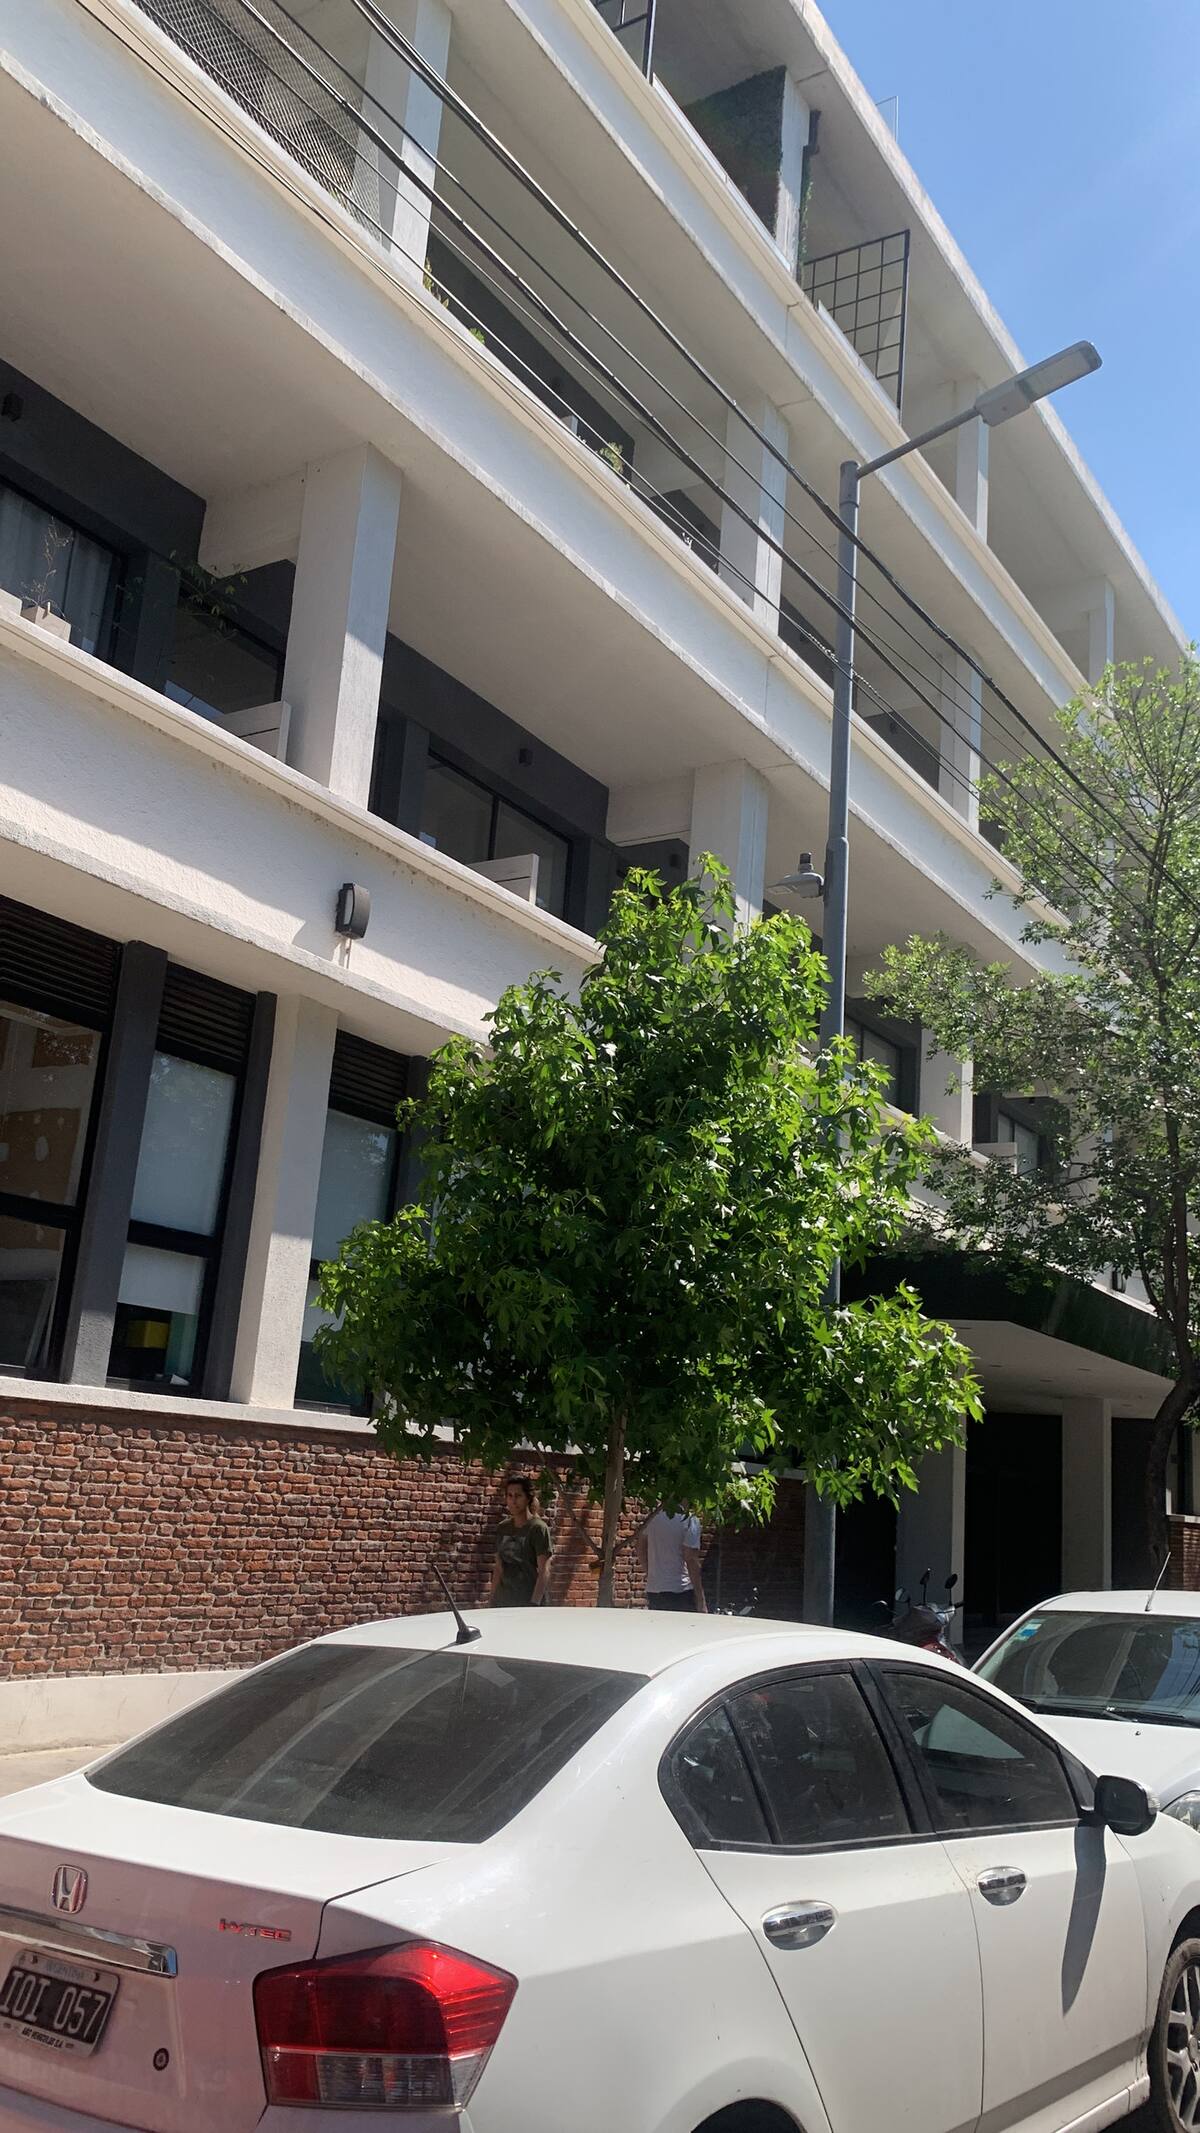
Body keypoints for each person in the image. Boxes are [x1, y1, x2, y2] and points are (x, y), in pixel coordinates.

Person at [489, 1474, 553, 1607]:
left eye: (518, 1496)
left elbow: (544, 1571)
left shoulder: (538, 1528)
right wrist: (491, 1601)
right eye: (509, 1495)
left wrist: (534, 1603)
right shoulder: (503, 1528)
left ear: (528, 1498)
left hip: (528, 1600)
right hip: (504, 1601)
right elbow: (498, 1568)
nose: (513, 1501)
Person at [638, 1506, 707, 1612]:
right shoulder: (690, 1520)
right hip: (680, 1589)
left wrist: (651, 1574)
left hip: (654, 1589)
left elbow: (640, 1549)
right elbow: (690, 1558)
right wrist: (700, 1599)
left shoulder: (653, 1517)